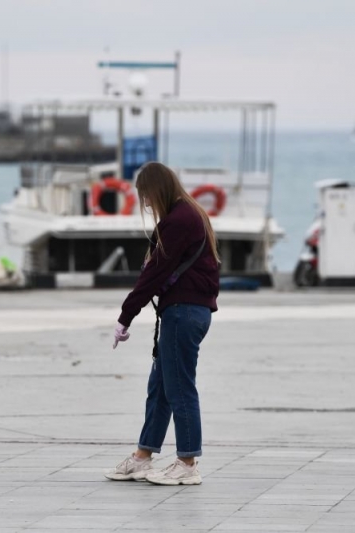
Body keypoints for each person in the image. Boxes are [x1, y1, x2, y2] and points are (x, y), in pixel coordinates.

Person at [105, 162, 220, 486]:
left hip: (184, 313)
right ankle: (143, 457)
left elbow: (154, 273)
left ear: (157, 190)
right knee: (160, 389)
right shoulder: (189, 214)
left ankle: (187, 462)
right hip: (183, 312)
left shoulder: (180, 220)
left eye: (146, 196)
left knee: (179, 387)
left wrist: (126, 316)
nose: (145, 203)